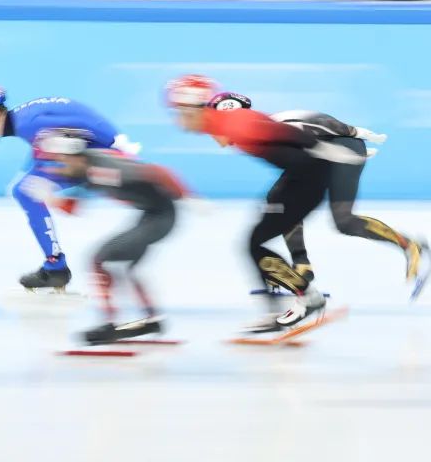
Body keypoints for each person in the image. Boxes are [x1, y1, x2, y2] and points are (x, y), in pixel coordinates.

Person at [166, 74, 368, 331]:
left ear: (194, 108)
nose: (177, 118)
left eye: (179, 111)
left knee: (254, 244)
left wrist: (325, 149)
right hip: (298, 178)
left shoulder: (233, 122)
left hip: (309, 181)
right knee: (254, 242)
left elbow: (283, 131)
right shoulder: (218, 123)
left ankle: (307, 298)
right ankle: (283, 304)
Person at [207, 90, 429, 299]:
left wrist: (352, 134)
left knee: (343, 220)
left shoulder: (262, 124)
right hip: (325, 154)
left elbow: (315, 122)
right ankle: (302, 268)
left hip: (340, 149)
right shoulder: (247, 133)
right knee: (280, 200)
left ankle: (410, 245)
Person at [0, 84, 141, 292]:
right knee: (25, 188)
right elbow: (42, 148)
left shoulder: (30, 123)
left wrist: (120, 148)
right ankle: (55, 267)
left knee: (26, 191)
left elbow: (80, 123)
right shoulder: (24, 121)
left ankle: (56, 268)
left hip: (107, 155)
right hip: (94, 152)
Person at [27, 128, 185, 343]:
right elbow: (75, 208)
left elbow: (158, 172)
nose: (57, 171)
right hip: (151, 215)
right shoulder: (86, 171)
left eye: (59, 163)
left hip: (162, 217)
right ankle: (152, 319)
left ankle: (110, 324)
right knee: (129, 268)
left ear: (73, 156)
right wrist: (50, 199)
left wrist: (188, 196)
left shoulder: (105, 167)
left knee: (100, 259)